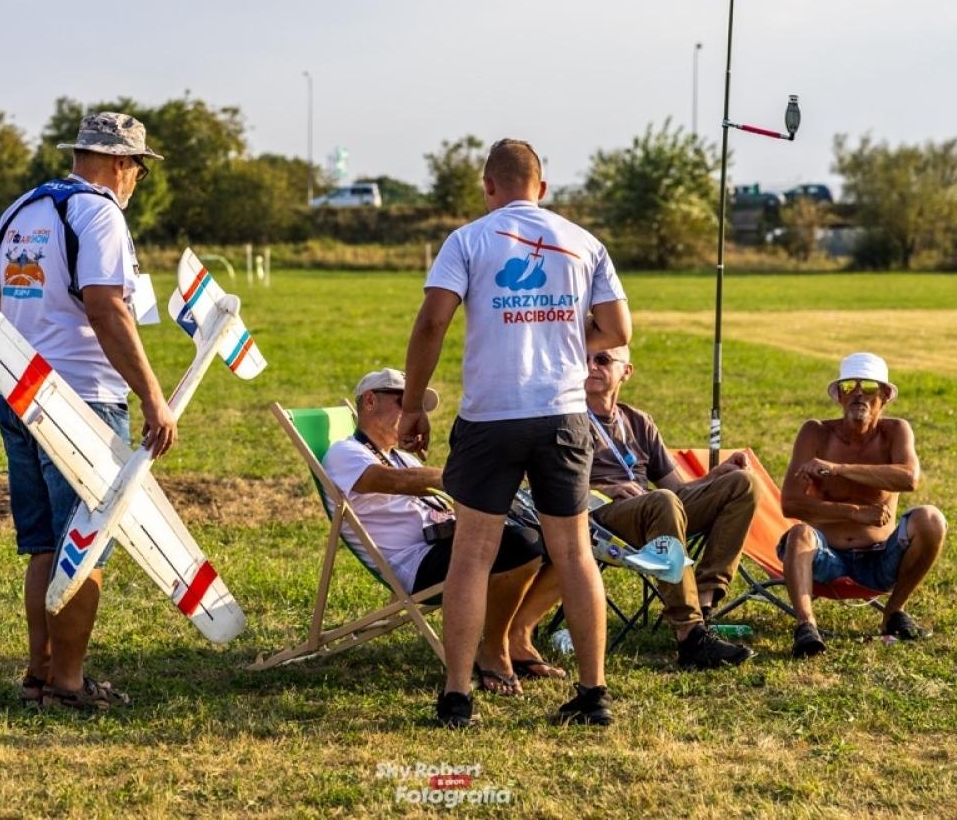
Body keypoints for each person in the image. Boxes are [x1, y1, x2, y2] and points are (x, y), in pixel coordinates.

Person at [400, 137, 631, 728]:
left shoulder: (468, 239)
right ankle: (593, 694)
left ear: (488, 187)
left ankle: (457, 697)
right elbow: (619, 327)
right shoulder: (584, 242)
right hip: (563, 412)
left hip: (490, 415)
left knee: (472, 557)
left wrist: (411, 406)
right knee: (575, 552)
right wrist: (564, 342)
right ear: (544, 189)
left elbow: (432, 322)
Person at [0, 111, 177, 710]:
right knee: (85, 541)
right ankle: (70, 686)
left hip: (18, 395)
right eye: (137, 169)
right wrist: (154, 395)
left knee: (45, 547)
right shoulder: (100, 212)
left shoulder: (21, 209)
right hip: (83, 401)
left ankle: (38, 675)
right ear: (119, 164)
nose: (136, 181)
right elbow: (108, 310)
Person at [507, 343, 758, 671]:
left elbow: (678, 489)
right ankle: (690, 635)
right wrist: (606, 487)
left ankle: (705, 602)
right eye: (584, 359)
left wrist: (716, 477)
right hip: (599, 516)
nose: (591, 366)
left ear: (626, 371)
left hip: (655, 510)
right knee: (661, 502)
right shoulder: (566, 419)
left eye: (602, 359)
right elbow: (545, 485)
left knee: (742, 484)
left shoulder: (638, 421)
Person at [322, 369, 549, 698]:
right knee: (523, 545)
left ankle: (515, 635)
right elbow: (396, 482)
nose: (415, 413)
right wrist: (459, 476)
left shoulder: (400, 455)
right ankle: (494, 649)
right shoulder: (345, 453)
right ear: (370, 401)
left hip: (447, 541)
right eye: (406, 402)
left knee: (556, 543)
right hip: (418, 564)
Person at [779, 352, 947, 658]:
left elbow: (910, 479)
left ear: (884, 395)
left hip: (880, 560)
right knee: (799, 534)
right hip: (825, 559)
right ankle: (806, 627)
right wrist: (854, 512)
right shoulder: (815, 432)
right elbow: (790, 504)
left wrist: (838, 469)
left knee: (932, 519)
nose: (858, 393)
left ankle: (894, 612)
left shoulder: (896, 431)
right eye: (849, 387)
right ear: (839, 397)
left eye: (868, 386)